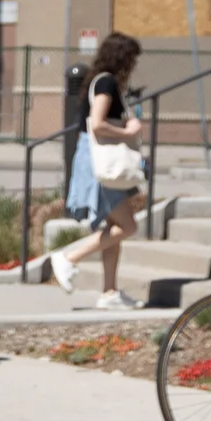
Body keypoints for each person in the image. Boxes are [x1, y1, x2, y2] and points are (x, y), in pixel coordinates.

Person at [37, 32, 147, 310]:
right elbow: (97, 123)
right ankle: (69, 258)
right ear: (123, 58)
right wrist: (127, 130)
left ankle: (110, 292)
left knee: (115, 227)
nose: (133, 65)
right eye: (131, 58)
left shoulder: (100, 81)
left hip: (98, 165)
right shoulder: (107, 82)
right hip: (103, 167)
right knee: (127, 226)